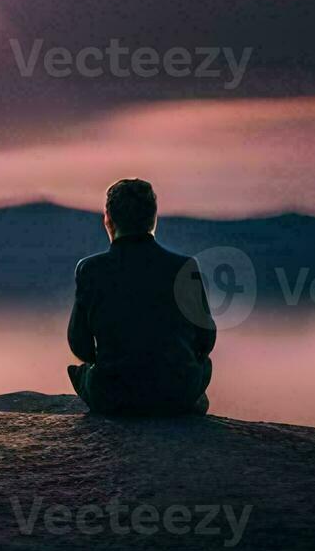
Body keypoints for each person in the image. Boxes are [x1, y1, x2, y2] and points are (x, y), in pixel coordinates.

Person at [66, 178, 215, 416]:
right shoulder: (185, 267)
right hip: (176, 393)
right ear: (153, 219)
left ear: (108, 220)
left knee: (83, 372)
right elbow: (206, 341)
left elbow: (80, 345)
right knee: (203, 368)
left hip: (113, 396)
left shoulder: (90, 270)